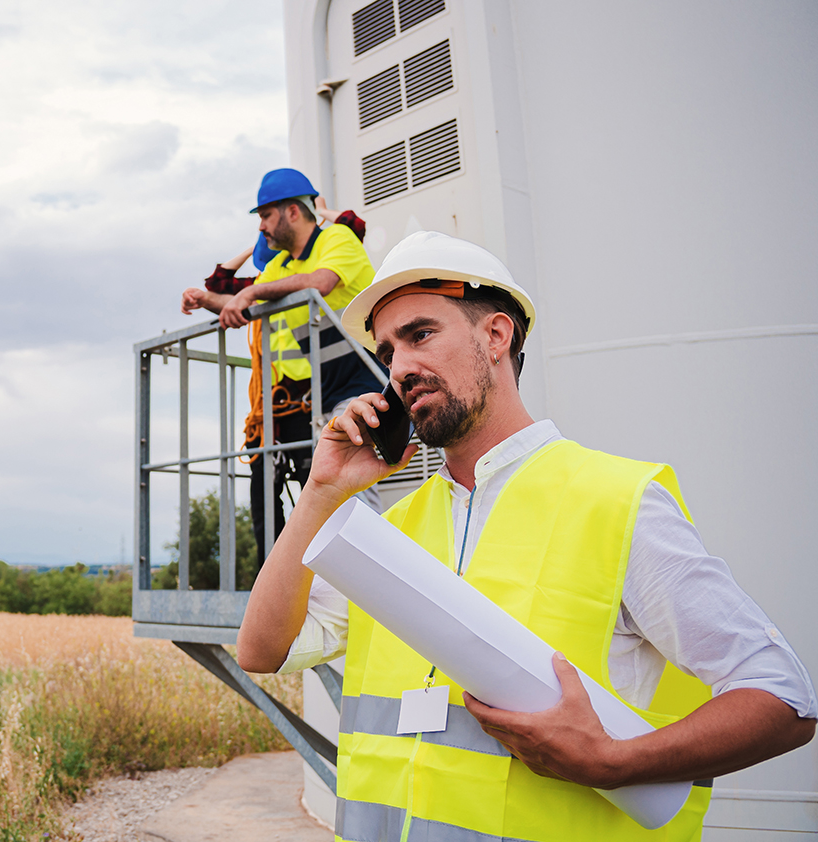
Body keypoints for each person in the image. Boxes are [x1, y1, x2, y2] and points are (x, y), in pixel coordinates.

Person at [236, 231, 816, 841]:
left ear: (495, 336)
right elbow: (261, 651)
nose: (400, 367)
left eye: (420, 335)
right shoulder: (392, 531)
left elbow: (783, 699)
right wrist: (324, 491)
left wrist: (611, 763)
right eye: (387, 352)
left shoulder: (616, 502)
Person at [181, 169, 385, 560]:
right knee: (329, 493)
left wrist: (252, 291)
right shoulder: (280, 267)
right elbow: (252, 302)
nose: (261, 226)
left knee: (353, 493)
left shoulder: (337, 238)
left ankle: (369, 588)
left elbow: (321, 282)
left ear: (293, 212)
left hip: (366, 380)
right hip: (326, 392)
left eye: (265, 215)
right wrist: (207, 300)